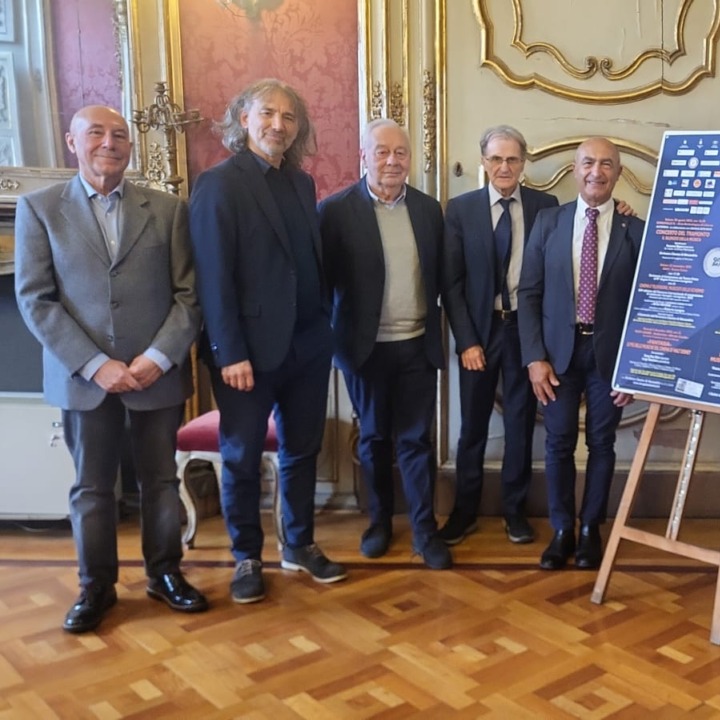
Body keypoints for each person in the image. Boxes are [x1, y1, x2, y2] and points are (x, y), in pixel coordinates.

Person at [14, 105, 208, 632]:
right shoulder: (41, 209)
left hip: (156, 375)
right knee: (93, 489)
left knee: (161, 482)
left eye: (120, 135)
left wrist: (157, 358)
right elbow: (36, 300)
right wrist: (96, 364)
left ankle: (165, 573)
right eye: (96, 133)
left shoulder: (167, 210)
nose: (110, 143)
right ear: (72, 142)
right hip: (84, 380)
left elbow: (189, 295)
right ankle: (96, 586)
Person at [190, 78, 346, 603]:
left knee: (302, 449)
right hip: (247, 355)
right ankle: (247, 557)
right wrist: (229, 351)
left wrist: (323, 325)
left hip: (307, 346)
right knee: (241, 456)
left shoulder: (301, 183)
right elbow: (213, 277)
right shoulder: (218, 184)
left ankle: (298, 545)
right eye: (268, 114)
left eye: (289, 117)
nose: (278, 125)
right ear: (243, 119)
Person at [319, 119, 450, 568]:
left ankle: (424, 530)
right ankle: (378, 522)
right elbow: (323, 286)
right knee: (374, 439)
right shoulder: (334, 212)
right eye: (382, 152)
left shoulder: (430, 210)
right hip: (365, 349)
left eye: (400, 153)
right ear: (364, 157)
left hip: (417, 344)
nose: (392, 161)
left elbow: (442, 279)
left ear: (410, 159)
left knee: (416, 440)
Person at [518, 137, 644, 571]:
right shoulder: (548, 222)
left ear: (619, 172)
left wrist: (635, 367)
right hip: (556, 357)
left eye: (607, 164)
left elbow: (648, 303)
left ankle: (591, 529)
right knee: (557, 444)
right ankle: (561, 531)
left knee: (602, 444)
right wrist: (534, 357)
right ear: (575, 169)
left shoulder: (636, 229)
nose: (597, 171)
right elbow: (529, 293)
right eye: (588, 162)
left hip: (610, 358)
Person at [440, 125, 559, 547]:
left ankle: (515, 511)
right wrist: (466, 341)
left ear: (523, 163)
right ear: (484, 162)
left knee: (521, 423)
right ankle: (464, 511)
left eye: (512, 159)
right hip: (481, 331)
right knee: (472, 425)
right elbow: (450, 284)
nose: (503, 167)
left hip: (526, 332)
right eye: (496, 159)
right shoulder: (461, 209)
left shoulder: (547, 207)